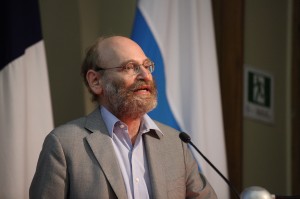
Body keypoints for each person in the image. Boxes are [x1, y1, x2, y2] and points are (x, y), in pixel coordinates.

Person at [29, 36, 218, 199]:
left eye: (146, 66)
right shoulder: (64, 145)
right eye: (130, 67)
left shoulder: (176, 144)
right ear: (96, 81)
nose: (145, 75)